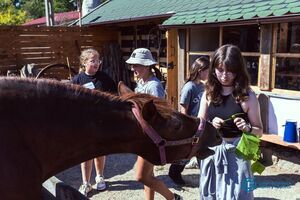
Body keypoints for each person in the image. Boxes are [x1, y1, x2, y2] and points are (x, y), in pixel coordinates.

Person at [197, 44, 263, 200]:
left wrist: (247, 128)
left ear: (238, 70)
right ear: (213, 69)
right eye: (220, 70)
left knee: (241, 193)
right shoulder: (208, 93)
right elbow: (199, 123)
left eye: (230, 70)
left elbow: (259, 131)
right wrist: (210, 123)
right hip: (213, 152)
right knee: (211, 192)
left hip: (239, 154)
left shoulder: (247, 96)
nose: (224, 75)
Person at [126, 48, 181, 200]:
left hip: (152, 138)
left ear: (146, 66)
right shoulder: (141, 83)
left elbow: (157, 115)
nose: (133, 69)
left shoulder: (154, 86)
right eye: (133, 65)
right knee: (148, 175)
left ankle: (172, 198)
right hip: (144, 136)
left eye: (136, 65)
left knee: (140, 176)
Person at [72, 48, 117, 196]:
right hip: (83, 123)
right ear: (84, 62)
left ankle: (100, 177)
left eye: (98, 60)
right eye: (93, 60)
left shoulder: (104, 78)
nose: (96, 63)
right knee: (85, 153)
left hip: (100, 122)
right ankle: (86, 183)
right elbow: (71, 101)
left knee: (100, 151)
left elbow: (114, 96)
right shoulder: (77, 80)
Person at [168, 56, 209, 185]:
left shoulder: (203, 86)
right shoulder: (189, 87)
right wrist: (185, 129)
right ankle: (174, 173)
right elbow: (183, 110)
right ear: (200, 70)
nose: (209, 73)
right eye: (207, 70)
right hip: (191, 126)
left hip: (201, 125)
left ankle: (206, 176)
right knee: (185, 153)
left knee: (203, 151)